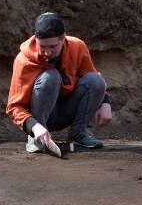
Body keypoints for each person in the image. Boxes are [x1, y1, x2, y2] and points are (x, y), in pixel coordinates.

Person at [6, 12, 112, 154]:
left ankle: (78, 133)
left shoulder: (77, 47)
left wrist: (105, 102)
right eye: (42, 47)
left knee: (96, 80)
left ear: (63, 39)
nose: (47, 53)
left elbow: (91, 79)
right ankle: (37, 139)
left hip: (66, 110)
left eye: (52, 47)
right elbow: (13, 107)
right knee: (50, 78)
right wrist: (34, 127)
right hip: (39, 119)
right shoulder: (23, 61)